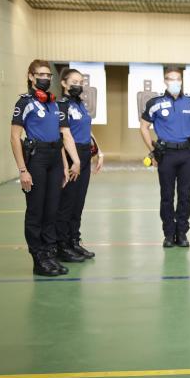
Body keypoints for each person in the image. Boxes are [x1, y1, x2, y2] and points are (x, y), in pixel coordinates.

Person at [10, 59, 82, 276]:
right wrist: (23, 170)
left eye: (48, 75)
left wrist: (62, 166)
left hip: (53, 158)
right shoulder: (24, 103)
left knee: (51, 210)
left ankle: (49, 254)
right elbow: (15, 137)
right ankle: (38, 258)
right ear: (31, 76)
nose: (45, 78)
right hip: (36, 158)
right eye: (40, 74)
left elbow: (59, 137)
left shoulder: (53, 103)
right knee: (36, 211)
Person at [139, 67, 190, 248]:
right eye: (170, 79)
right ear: (165, 81)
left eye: (177, 79)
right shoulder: (155, 103)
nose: (174, 82)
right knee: (166, 195)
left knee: (185, 195)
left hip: (187, 154)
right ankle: (168, 233)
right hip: (166, 155)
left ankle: (182, 232)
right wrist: (153, 149)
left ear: (182, 81)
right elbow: (144, 127)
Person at [55, 67, 104, 262]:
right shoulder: (62, 105)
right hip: (70, 155)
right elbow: (64, 134)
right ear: (64, 83)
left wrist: (98, 150)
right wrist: (72, 161)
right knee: (66, 203)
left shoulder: (80, 104)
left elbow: (87, 130)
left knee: (78, 202)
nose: (78, 85)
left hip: (84, 154)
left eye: (81, 81)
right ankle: (62, 245)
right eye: (74, 81)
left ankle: (74, 241)